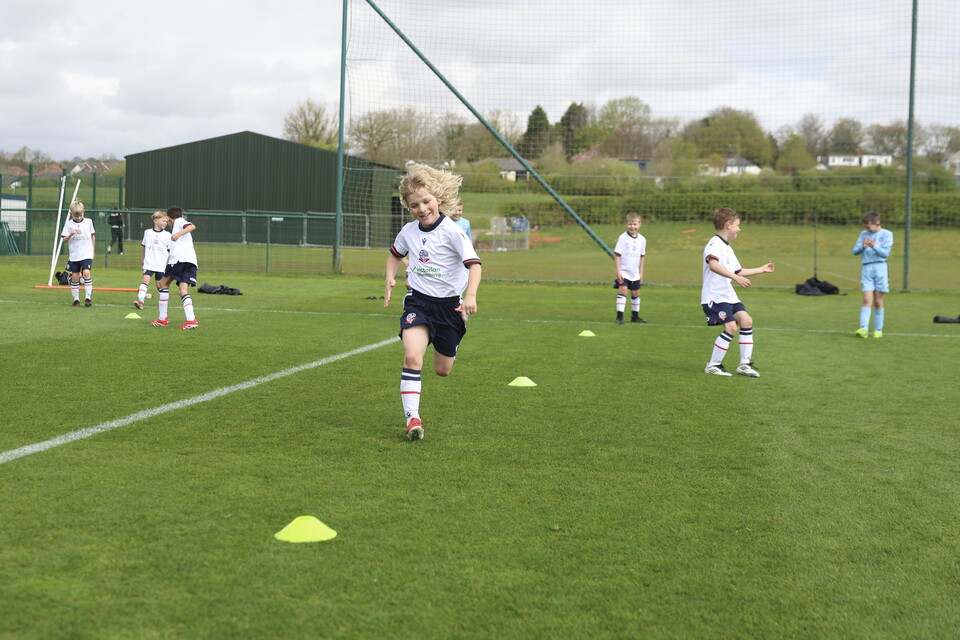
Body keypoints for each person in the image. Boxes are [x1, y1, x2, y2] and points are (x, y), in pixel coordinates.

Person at [384, 164, 482, 441]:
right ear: (408, 207)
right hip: (418, 303)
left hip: (450, 308)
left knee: (443, 370)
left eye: (426, 201)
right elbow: (394, 255)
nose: (422, 208)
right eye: (414, 205)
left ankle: (457, 330)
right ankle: (412, 418)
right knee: (413, 356)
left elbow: (475, 266)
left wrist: (471, 296)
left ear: (438, 199)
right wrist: (390, 279)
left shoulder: (453, 232)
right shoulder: (409, 231)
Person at [701, 207, 775, 377]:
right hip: (715, 295)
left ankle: (744, 364)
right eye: (737, 225)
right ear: (728, 225)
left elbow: (738, 271)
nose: (739, 229)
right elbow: (713, 265)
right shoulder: (714, 243)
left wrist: (762, 269)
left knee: (746, 321)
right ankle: (713, 365)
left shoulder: (727, 248)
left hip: (728, 294)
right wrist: (734, 278)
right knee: (731, 327)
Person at [152, 206, 200, 330]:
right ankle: (191, 320)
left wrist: (178, 234)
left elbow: (191, 226)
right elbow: (170, 253)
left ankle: (162, 319)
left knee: (162, 285)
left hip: (180, 261)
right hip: (190, 262)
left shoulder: (178, 222)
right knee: (182, 291)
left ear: (168, 218)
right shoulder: (175, 234)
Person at [852, 211, 894, 339]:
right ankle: (863, 329)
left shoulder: (887, 234)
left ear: (877, 224)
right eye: (865, 227)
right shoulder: (863, 234)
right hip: (867, 268)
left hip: (880, 268)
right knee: (866, 299)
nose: (866, 229)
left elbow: (885, 253)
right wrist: (863, 247)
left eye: (868, 227)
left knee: (877, 301)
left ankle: (878, 330)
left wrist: (874, 246)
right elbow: (854, 251)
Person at [613, 212, 647, 324]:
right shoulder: (623, 238)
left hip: (635, 272)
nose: (632, 227)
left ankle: (635, 316)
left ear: (639, 225)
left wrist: (641, 273)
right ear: (626, 224)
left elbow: (642, 257)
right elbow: (617, 255)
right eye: (630, 224)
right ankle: (619, 317)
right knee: (623, 291)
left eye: (635, 224)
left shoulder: (642, 239)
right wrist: (618, 272)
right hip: (623, 271)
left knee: (636, 293)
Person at [60, 200, 96, 307]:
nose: (79, 218)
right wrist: (70, 234)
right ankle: (76, 300)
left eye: (80, 215)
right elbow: (64, 240)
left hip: (86, 254)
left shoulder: (89, 222)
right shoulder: (68, 224)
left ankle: (88, 299)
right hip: (74, 255)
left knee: (86, 273)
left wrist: (93, 250)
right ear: (71, 214)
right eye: (76, 216)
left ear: (83, 212)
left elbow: (92, 235)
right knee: (75, 276)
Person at [134, 211, 172, 309]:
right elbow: (144, 247)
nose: (165, 223)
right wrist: (143, 259)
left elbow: (170, 251)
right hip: (149, 262)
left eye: (166, 221)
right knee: (145, 280)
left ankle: (163, 303)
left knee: (160, 285)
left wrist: (168, 264)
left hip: (161, 264)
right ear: (156, 221)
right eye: (163, 221)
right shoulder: (147, 233)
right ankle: (140, 301)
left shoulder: (167, 235)